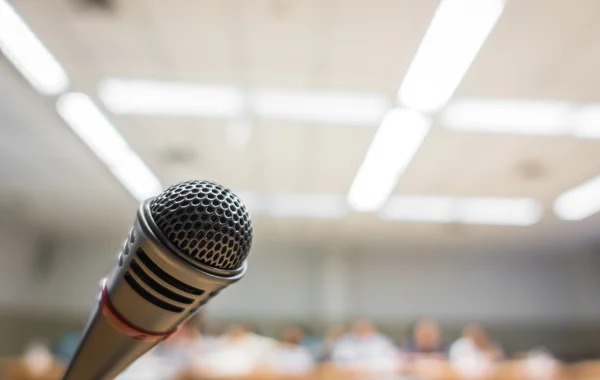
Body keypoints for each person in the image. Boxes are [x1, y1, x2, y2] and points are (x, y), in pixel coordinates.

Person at [330, 318, 399, 373]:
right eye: (361, 327)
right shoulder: (345, 341)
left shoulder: (381, 341)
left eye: (366, 327)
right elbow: (340, 360)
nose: (363, 329)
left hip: (377, 374)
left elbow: (392, 357)